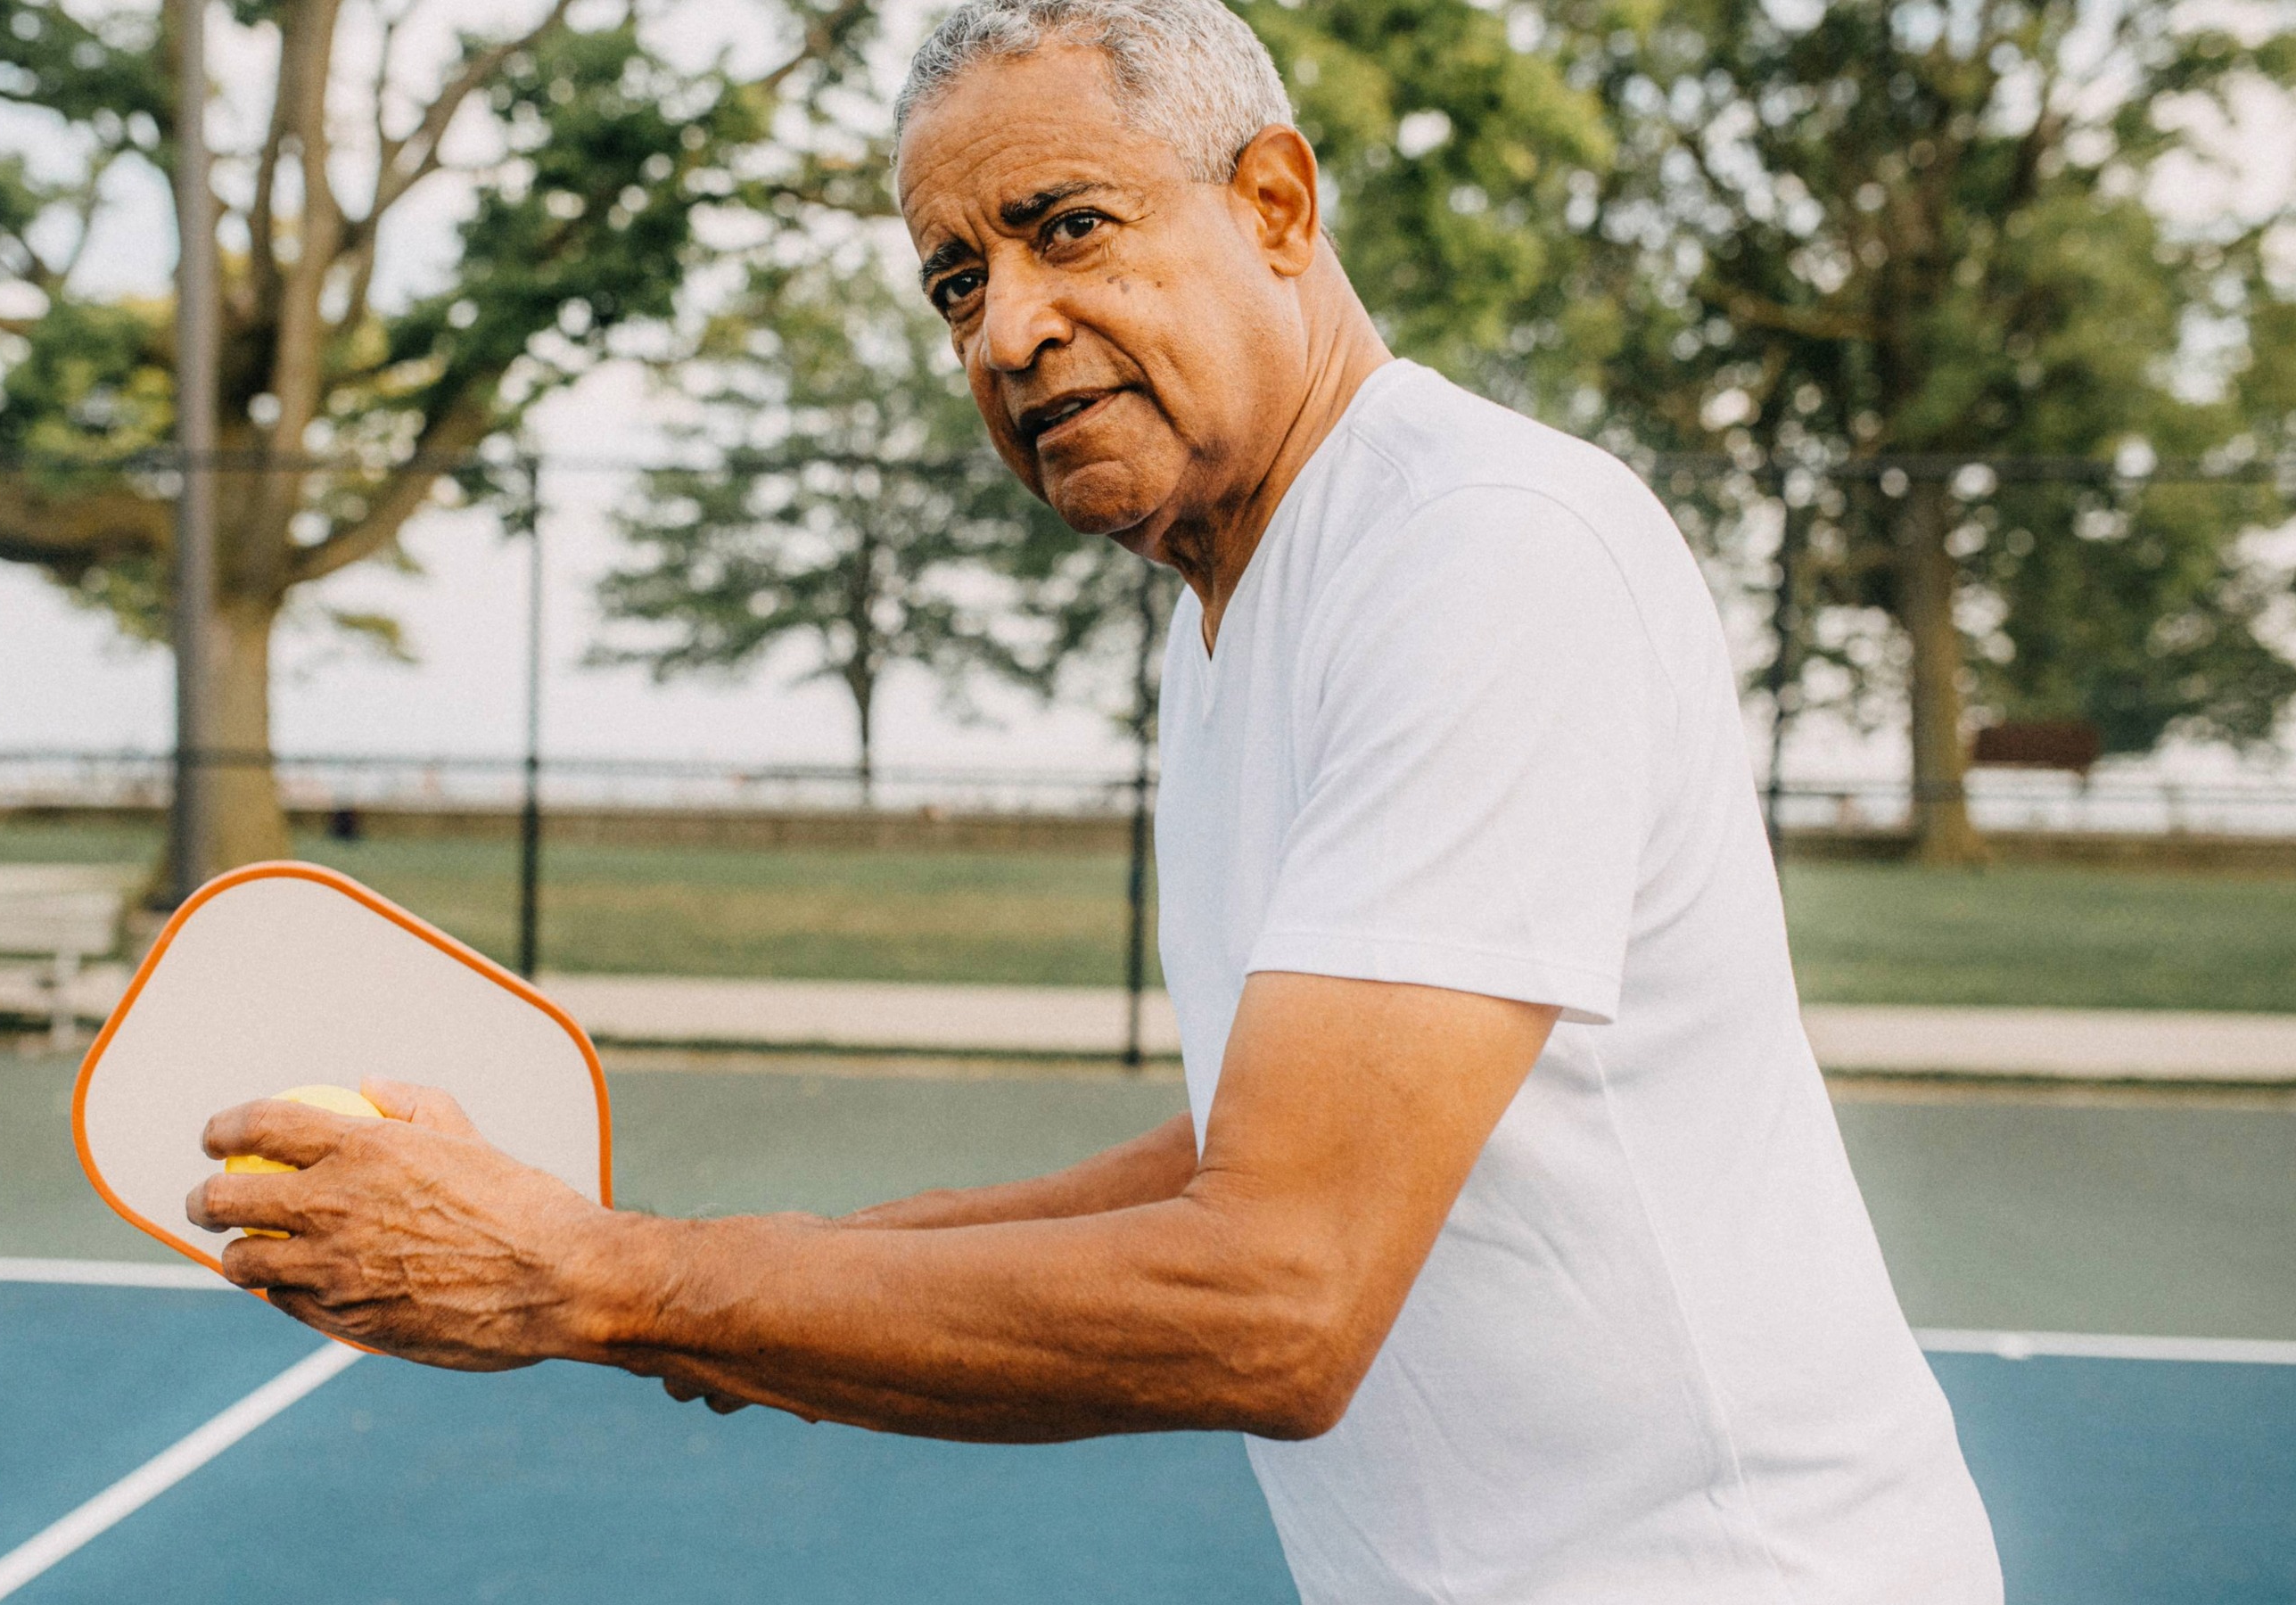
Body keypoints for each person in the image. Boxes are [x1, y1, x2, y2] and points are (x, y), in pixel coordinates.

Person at [186, 0, 2005, 1595]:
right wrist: (686, 1283)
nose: (1004, 330)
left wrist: (609, 1277)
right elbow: (1250, 1149)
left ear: (1275, 206)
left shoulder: (1478, 556)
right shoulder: (1231, 607)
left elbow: (1277, 1293)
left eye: (1066, 229)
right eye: (958, 281)